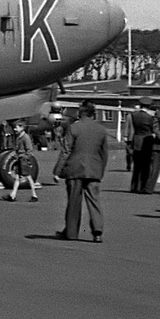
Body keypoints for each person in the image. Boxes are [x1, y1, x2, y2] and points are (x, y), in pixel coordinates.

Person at [52, 101, 110, 241]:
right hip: (94, 170)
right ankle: (97, 231)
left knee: (73, 202)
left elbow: (66, 151)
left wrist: (57, 171)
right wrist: (100, 171)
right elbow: (104, 154)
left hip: (75, 169)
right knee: (94, 201)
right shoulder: (101, 130)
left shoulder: (74, 128)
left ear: (80, 113)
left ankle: (71, 232)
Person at [6, 123, 40, 202]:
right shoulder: (19, 137)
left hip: (23, 159)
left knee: (28, 177)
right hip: (19, 159)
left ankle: (34, 195)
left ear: (21, 128)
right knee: (18, 177)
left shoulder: (25, 137)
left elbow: (29, 149)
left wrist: (25, 158)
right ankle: (13, 195)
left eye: (16, 128)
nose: (15, 129)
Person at [129, 99, 156, 193]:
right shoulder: (149, 117)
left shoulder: (134, 115)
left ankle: (134, 186)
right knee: (145, 166)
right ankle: (142, 186)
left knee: (137, 165)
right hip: (146, 141)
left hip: (136, 139)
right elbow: (152, 128)